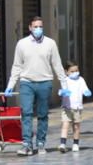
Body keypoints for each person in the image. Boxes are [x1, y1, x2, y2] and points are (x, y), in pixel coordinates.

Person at [4, 16, 69, 156]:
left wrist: (64, 85)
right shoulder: (21, 44)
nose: (38, 29)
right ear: (30, 28)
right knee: (26, 113)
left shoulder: (50, 44)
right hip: (26, 82)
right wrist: (11, 84)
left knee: (42, 114)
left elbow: (57, 65)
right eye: (35, 27)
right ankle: (26, 143)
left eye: (40, 26)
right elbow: (16, 66)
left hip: (45, 83)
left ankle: (41, 142)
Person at [58, 61, 91, 153]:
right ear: (66, 72)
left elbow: (85, 88)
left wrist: (86, 92)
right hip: (67, 107)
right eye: (72, 71)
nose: (75, 72)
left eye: (76, 70)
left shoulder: (81, 80)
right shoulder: (65, 80)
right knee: (65, 125)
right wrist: (62, 92)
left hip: (77, 107)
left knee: (76, 126)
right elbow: (61, 91)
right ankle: (63, 143)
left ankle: (75, 144)